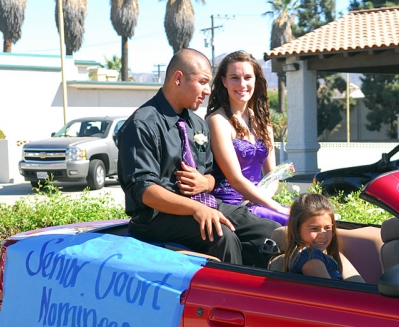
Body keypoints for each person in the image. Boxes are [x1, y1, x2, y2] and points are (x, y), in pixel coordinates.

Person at [116, 48, 279, 267]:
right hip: (157, 217)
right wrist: (196, 209)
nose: (207, 91)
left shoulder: (197, 124)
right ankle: (229, 299)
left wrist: (206, 182)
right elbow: (145, 192)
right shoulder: (142, 124)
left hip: (205, 203)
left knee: (266, 230)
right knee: (222, 235)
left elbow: (214, 177)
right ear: (178, 78)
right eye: (202, 82)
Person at [205, 51, 290, 225]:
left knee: (309, 221)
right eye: (234, 77)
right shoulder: (218, 121)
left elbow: (272, 176)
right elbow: (235, 179)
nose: (242, 84)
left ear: (255, 81)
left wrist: (263, 198)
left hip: (259, 202)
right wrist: (276, 207)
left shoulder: (264, 123)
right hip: (231, 206)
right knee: (292, 224)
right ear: (224, 81)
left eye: (248, 77)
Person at [283, 194, 362, 280]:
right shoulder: (311, 259)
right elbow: (329, 292)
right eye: (314, 229)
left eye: (327, 228)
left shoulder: (310, 255)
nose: (322, 235)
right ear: (297, 229)